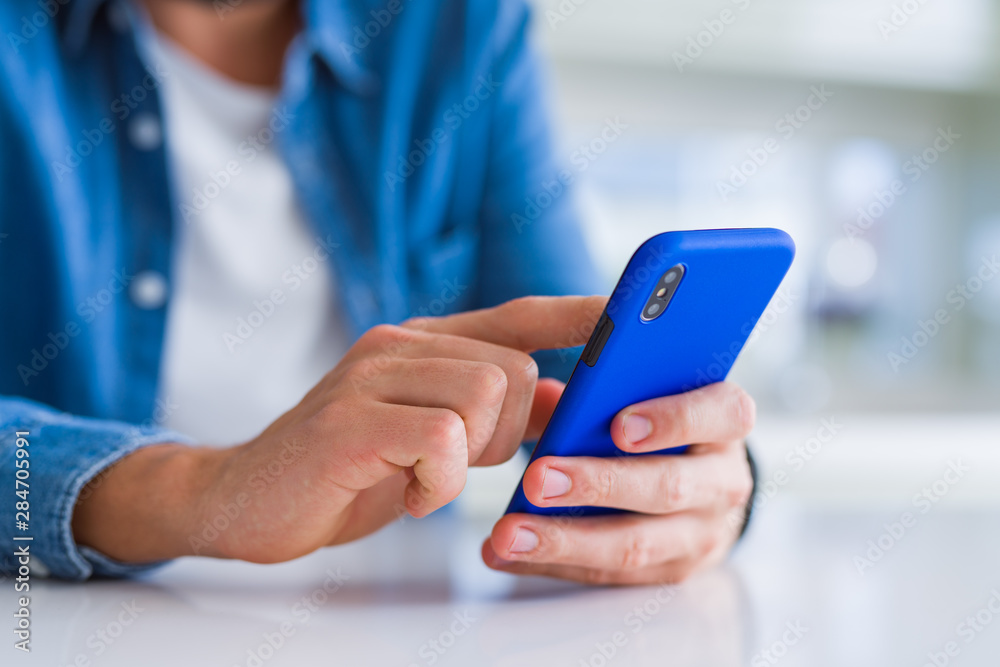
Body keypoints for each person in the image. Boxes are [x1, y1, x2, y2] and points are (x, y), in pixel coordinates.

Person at [0, 0, 756, 585]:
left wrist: (698, 474)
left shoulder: (462, 31)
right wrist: (201, 491)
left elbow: (584, 372)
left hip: (392, 620)